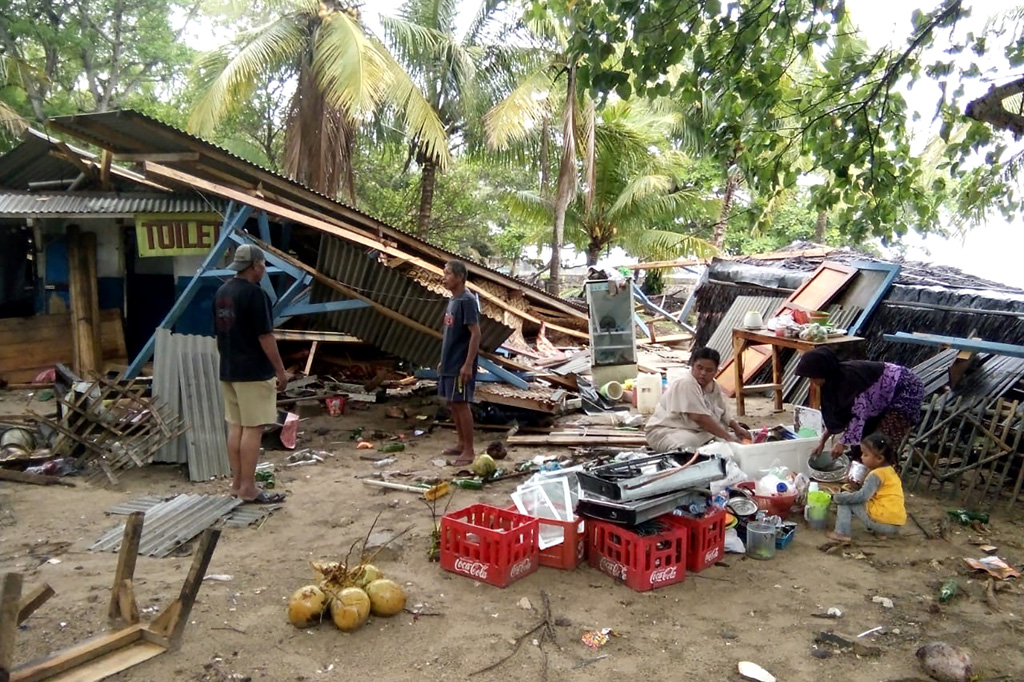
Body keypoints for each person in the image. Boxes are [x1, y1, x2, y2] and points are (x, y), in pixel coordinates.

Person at [214, 244, 288, 504]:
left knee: (236, 427)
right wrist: (280, 370)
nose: (264, 269)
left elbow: (219, 335)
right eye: (263, 264)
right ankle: (248, 488)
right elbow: (265, 336)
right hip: (254, 371)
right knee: (253, 429)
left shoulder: (222, 292)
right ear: (255, 265)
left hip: (228, 369)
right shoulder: (255, 295)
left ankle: (236, 484)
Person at [795, 347, 924, 462]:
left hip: (904, 389)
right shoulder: (832, 382)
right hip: (880, 397)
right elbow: (840, 416)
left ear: (823, 372)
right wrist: (822, 441)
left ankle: (886, 479)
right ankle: (860, 476)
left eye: (813, 377)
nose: (812, 382)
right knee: (861, 442)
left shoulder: (849, 381)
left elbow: (859, 415)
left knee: (880, 443)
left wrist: (842, 443)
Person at [645, 347, 752, 452]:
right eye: (699, 368)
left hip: (697, 431)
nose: (703, 373)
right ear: (693, 366)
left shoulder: (713, 386)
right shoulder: (686, 383)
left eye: (709, 370)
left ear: (716, 372)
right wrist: (727, 437)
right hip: (667, 430)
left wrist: (737, 428)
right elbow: (699, 417)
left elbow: (724, 413)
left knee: (724, 442)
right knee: (688, 444)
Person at [439, 260, 481, 466]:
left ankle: (469, 450)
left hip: (460, 363)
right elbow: (450, 334)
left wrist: (468, 364)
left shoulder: (467, 301)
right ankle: (460, 443)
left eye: (448, 274)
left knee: (462, 404)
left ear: (459, 277)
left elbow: (475, 333)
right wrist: (443, 361)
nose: (444, 277)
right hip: (449, 362)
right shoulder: (453, 300)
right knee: (453, 403)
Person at [828, 432, 906, 542]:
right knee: (878, 502)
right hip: (896, 522)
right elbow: (873, 493)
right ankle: (880, 533)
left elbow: (862, 497)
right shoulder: (889, 470)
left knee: (844, 500)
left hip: (883, 521)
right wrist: (855, 486)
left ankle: (841, 533)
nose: (861, 457)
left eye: (865, 455)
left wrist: (837, 497)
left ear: (879, 458)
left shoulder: (876, 475)